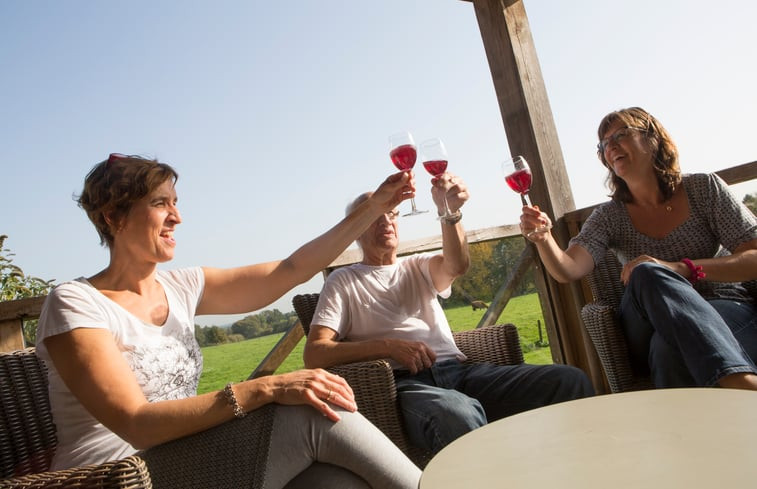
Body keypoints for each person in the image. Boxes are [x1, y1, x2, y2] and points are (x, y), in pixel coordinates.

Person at [35, 153, 422, 489]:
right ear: (114, 217)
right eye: (160, 203)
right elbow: (136, 423)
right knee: (310, 413)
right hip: (117, 475)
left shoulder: (182, 286)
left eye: (176, 202)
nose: (177, 217)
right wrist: (263, 388)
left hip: (184, 457)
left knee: (337, 484)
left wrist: (373, 208)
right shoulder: (75, 303)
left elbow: (292, 269)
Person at [303, 170, 594, 455]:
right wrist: (388, 347)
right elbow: (315, 352)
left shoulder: (417, 266)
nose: (387, 221)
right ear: (355, 228)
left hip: (462, 372)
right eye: (374, 215)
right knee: (457, 414)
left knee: (569, 380)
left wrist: (450, 212)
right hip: (405, 384)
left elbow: (456, 266)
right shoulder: (342, 280)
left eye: (391, 214)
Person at [519, 106, 757, 390]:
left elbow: (752, 257)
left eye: (621, 134)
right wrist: (544, 238)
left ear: (654, 138)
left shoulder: (704, 189)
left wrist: (681, 268)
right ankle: (739, 381)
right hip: (645, 321)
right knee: (646, 272)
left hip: (726, 308)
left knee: (667, 350)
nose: (611, 146)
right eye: (604, 143)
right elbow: (567, 269)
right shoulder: (609, 216)